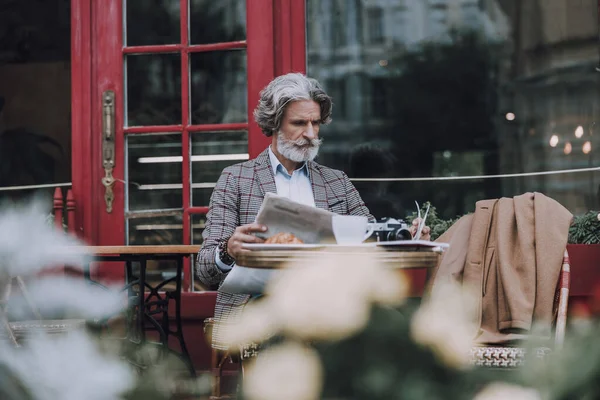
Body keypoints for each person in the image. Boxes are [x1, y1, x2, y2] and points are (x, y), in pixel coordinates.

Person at [196, 73, 429, 351]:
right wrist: (228, 250)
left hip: (331, 307)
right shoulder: (236, 179)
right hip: (259, 310)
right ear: (274, 124)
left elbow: (369, 238)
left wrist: (405, 237)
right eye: (299, 123)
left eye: (315, 123)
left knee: (386, 335)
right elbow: (205, 271)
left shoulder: (336, 181)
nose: (310, 134)